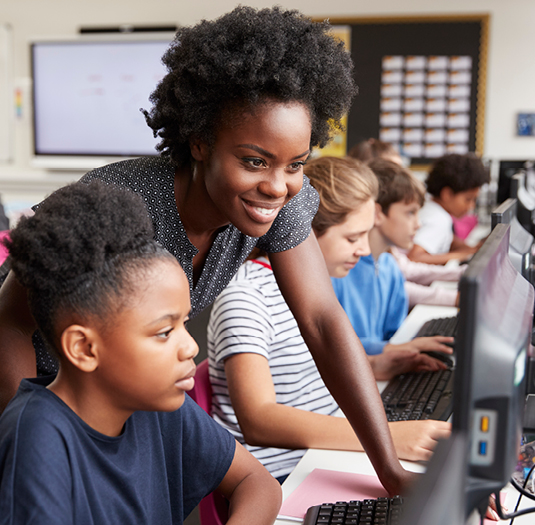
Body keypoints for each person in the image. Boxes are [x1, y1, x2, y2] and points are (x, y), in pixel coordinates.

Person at [0, 6, 413, 495]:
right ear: (199, 142)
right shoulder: (120, 201)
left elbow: (322, 319)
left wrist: (389, 467)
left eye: (296, 163)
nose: (277, 187)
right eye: (254, 161)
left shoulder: (280, 203)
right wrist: (25, 441)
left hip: (119, 405)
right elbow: (10, 320)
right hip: (47, 407)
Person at [0, 181, 281, 524]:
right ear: (84, 348)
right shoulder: (38, 440)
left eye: (184, 324)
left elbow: (258, 483)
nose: (190, 347)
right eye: (164, 332)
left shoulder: (153, 400)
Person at [207, 156, 450, 483]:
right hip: (284, 477)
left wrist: (377, 365)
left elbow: (301, 375)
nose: (364, 250)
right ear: (305, 231)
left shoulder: (315, 288)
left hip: (321, 454)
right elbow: (259, 419)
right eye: (352, 238)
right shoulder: (246, 296)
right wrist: (389, 436)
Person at [331, 158, 455, 356]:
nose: (418, 224)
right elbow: (329, 345)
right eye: (410, 213)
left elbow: (394, 335)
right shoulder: (338, 270)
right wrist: (392, 350)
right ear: (378, 213)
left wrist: (408, 350)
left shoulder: (390, 267)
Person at [407, 153, 490, 265]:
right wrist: (461, 255)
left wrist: (470, 248)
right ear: (447, 194)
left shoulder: (429, 208)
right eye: (468, 199)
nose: (471, 206)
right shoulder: (439, 220)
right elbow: (414, 257)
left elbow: (445, 238)